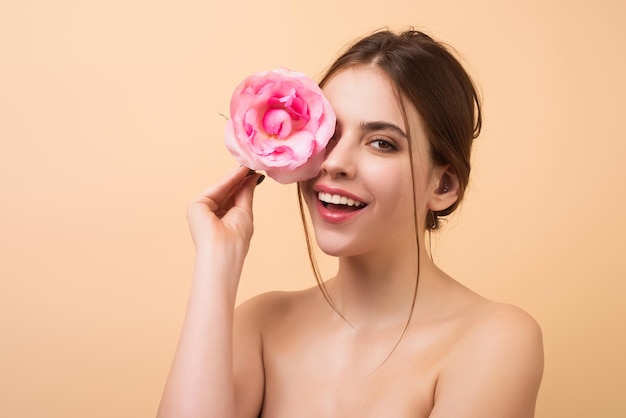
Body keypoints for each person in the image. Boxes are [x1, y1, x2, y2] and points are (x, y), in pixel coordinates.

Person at [157, 29, 544, 418]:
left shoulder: (494, 339)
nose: (334, 162)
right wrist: (216, 261)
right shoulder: (260, 325)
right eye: (329, 134)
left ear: (442, 185)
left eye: (382, 143)